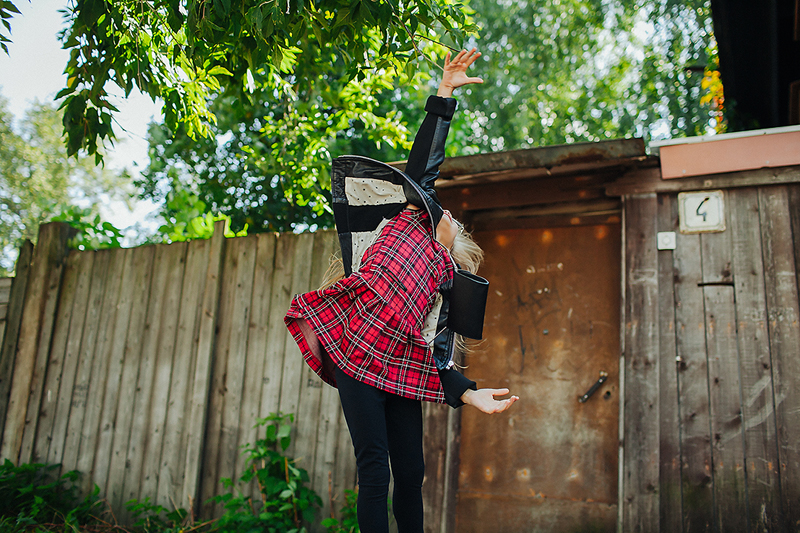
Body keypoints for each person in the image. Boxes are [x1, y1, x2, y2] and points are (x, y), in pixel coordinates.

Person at [284, 48, 518, 533]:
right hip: (354, 354)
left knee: (411, 473)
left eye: (452, 219)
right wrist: (445, 91)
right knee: (374, 471)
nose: (445, 212)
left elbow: (434, 354)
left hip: (398, 366)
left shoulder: (443, 279)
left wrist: (471, 394)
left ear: (454, 241)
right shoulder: (407, 221)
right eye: (440, 209)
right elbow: (426, 160)